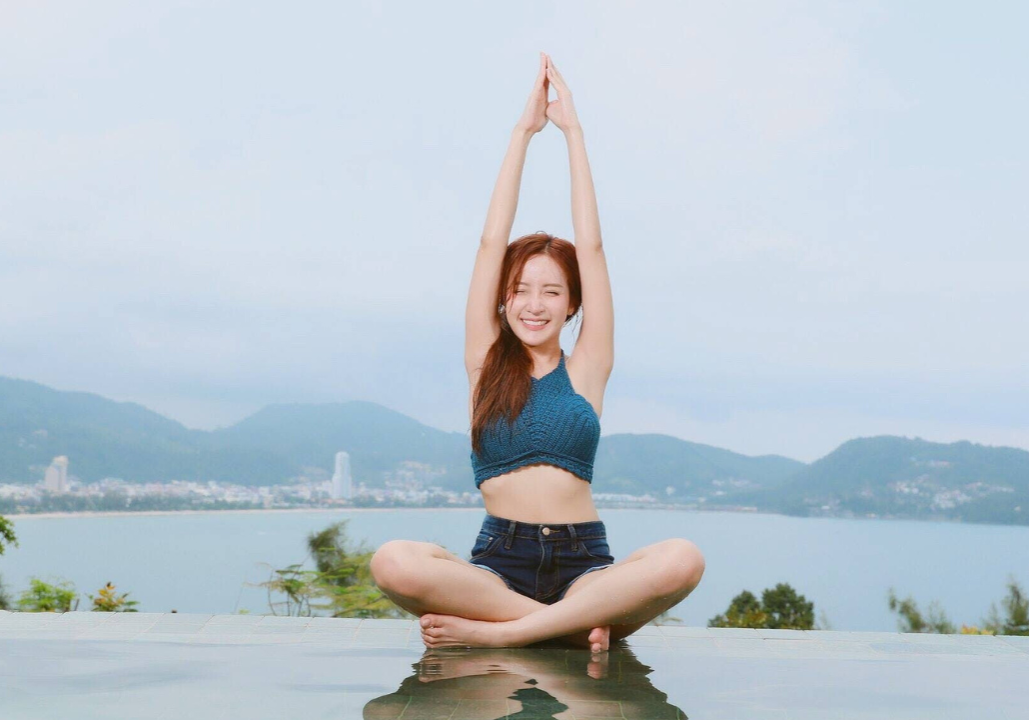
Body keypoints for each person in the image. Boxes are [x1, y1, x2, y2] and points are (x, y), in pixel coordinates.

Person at [370, 52, 705, 654]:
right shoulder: (483, 362)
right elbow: (488, 243)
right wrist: (523, 134)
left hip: (587, 568)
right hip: (499, 566)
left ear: (572, 304)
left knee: (683, 559)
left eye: (551, 291)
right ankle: (563, 632)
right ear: (503, 298)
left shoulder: (587, 367)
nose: (534, 304)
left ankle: (511, 636)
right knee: (394, 562)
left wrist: (574, 132)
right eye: (521, 289)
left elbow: (594, 247)